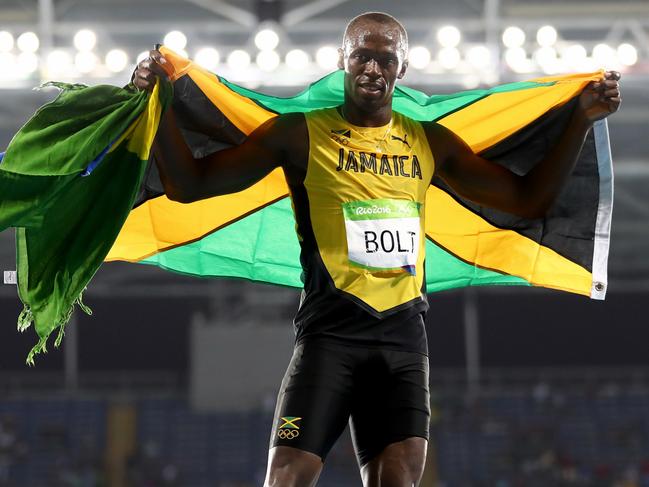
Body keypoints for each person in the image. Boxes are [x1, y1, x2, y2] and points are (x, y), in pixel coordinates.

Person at [132, 11, 621, 487]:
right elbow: (188, 185)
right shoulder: (299, 135)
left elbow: (527, 200)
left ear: (401, 69)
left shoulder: (429, 142)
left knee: (397, 480)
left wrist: (579, 118)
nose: (373, 69)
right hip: (330, 339)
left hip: (404, 342)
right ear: (342, 59)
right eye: (362, 57)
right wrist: (161, 102)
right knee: (285, 478)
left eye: (385, 60)